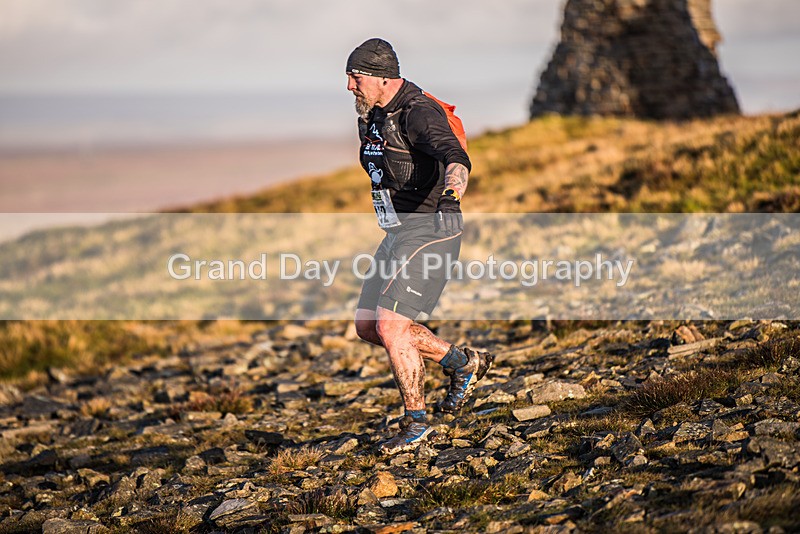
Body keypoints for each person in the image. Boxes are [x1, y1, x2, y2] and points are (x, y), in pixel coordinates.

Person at [345, 38, 494, 455]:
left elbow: (456, 158)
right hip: (396, 232)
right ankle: (463, 363)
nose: (350, 87)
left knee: (392, 327)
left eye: (355, 78)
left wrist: (451, 195)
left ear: (380, 78)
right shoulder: (372, 115)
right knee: (368, 327)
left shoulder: (418, 113)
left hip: (432, 229)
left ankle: (416, 425)